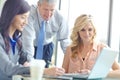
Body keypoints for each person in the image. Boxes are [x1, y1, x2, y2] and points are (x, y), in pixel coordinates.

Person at [0, 0, 65, 80]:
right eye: (23, 17)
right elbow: (9, 69)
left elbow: (25, 59)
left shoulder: (17, 41)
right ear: (11, 15)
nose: (26, 22)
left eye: (27, 18)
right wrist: (43, 70)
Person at [22, 0, 70, 68]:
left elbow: (65, 41)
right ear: (38, 5)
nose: (48, 14)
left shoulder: (60, 17)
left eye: (52, 10)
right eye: (46, 9)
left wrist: (72, 60)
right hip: (29, 45)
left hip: (46, 47)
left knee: (45, 72)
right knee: (28, 71)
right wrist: (30, 63)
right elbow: (28, 39)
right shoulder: (29, 13)